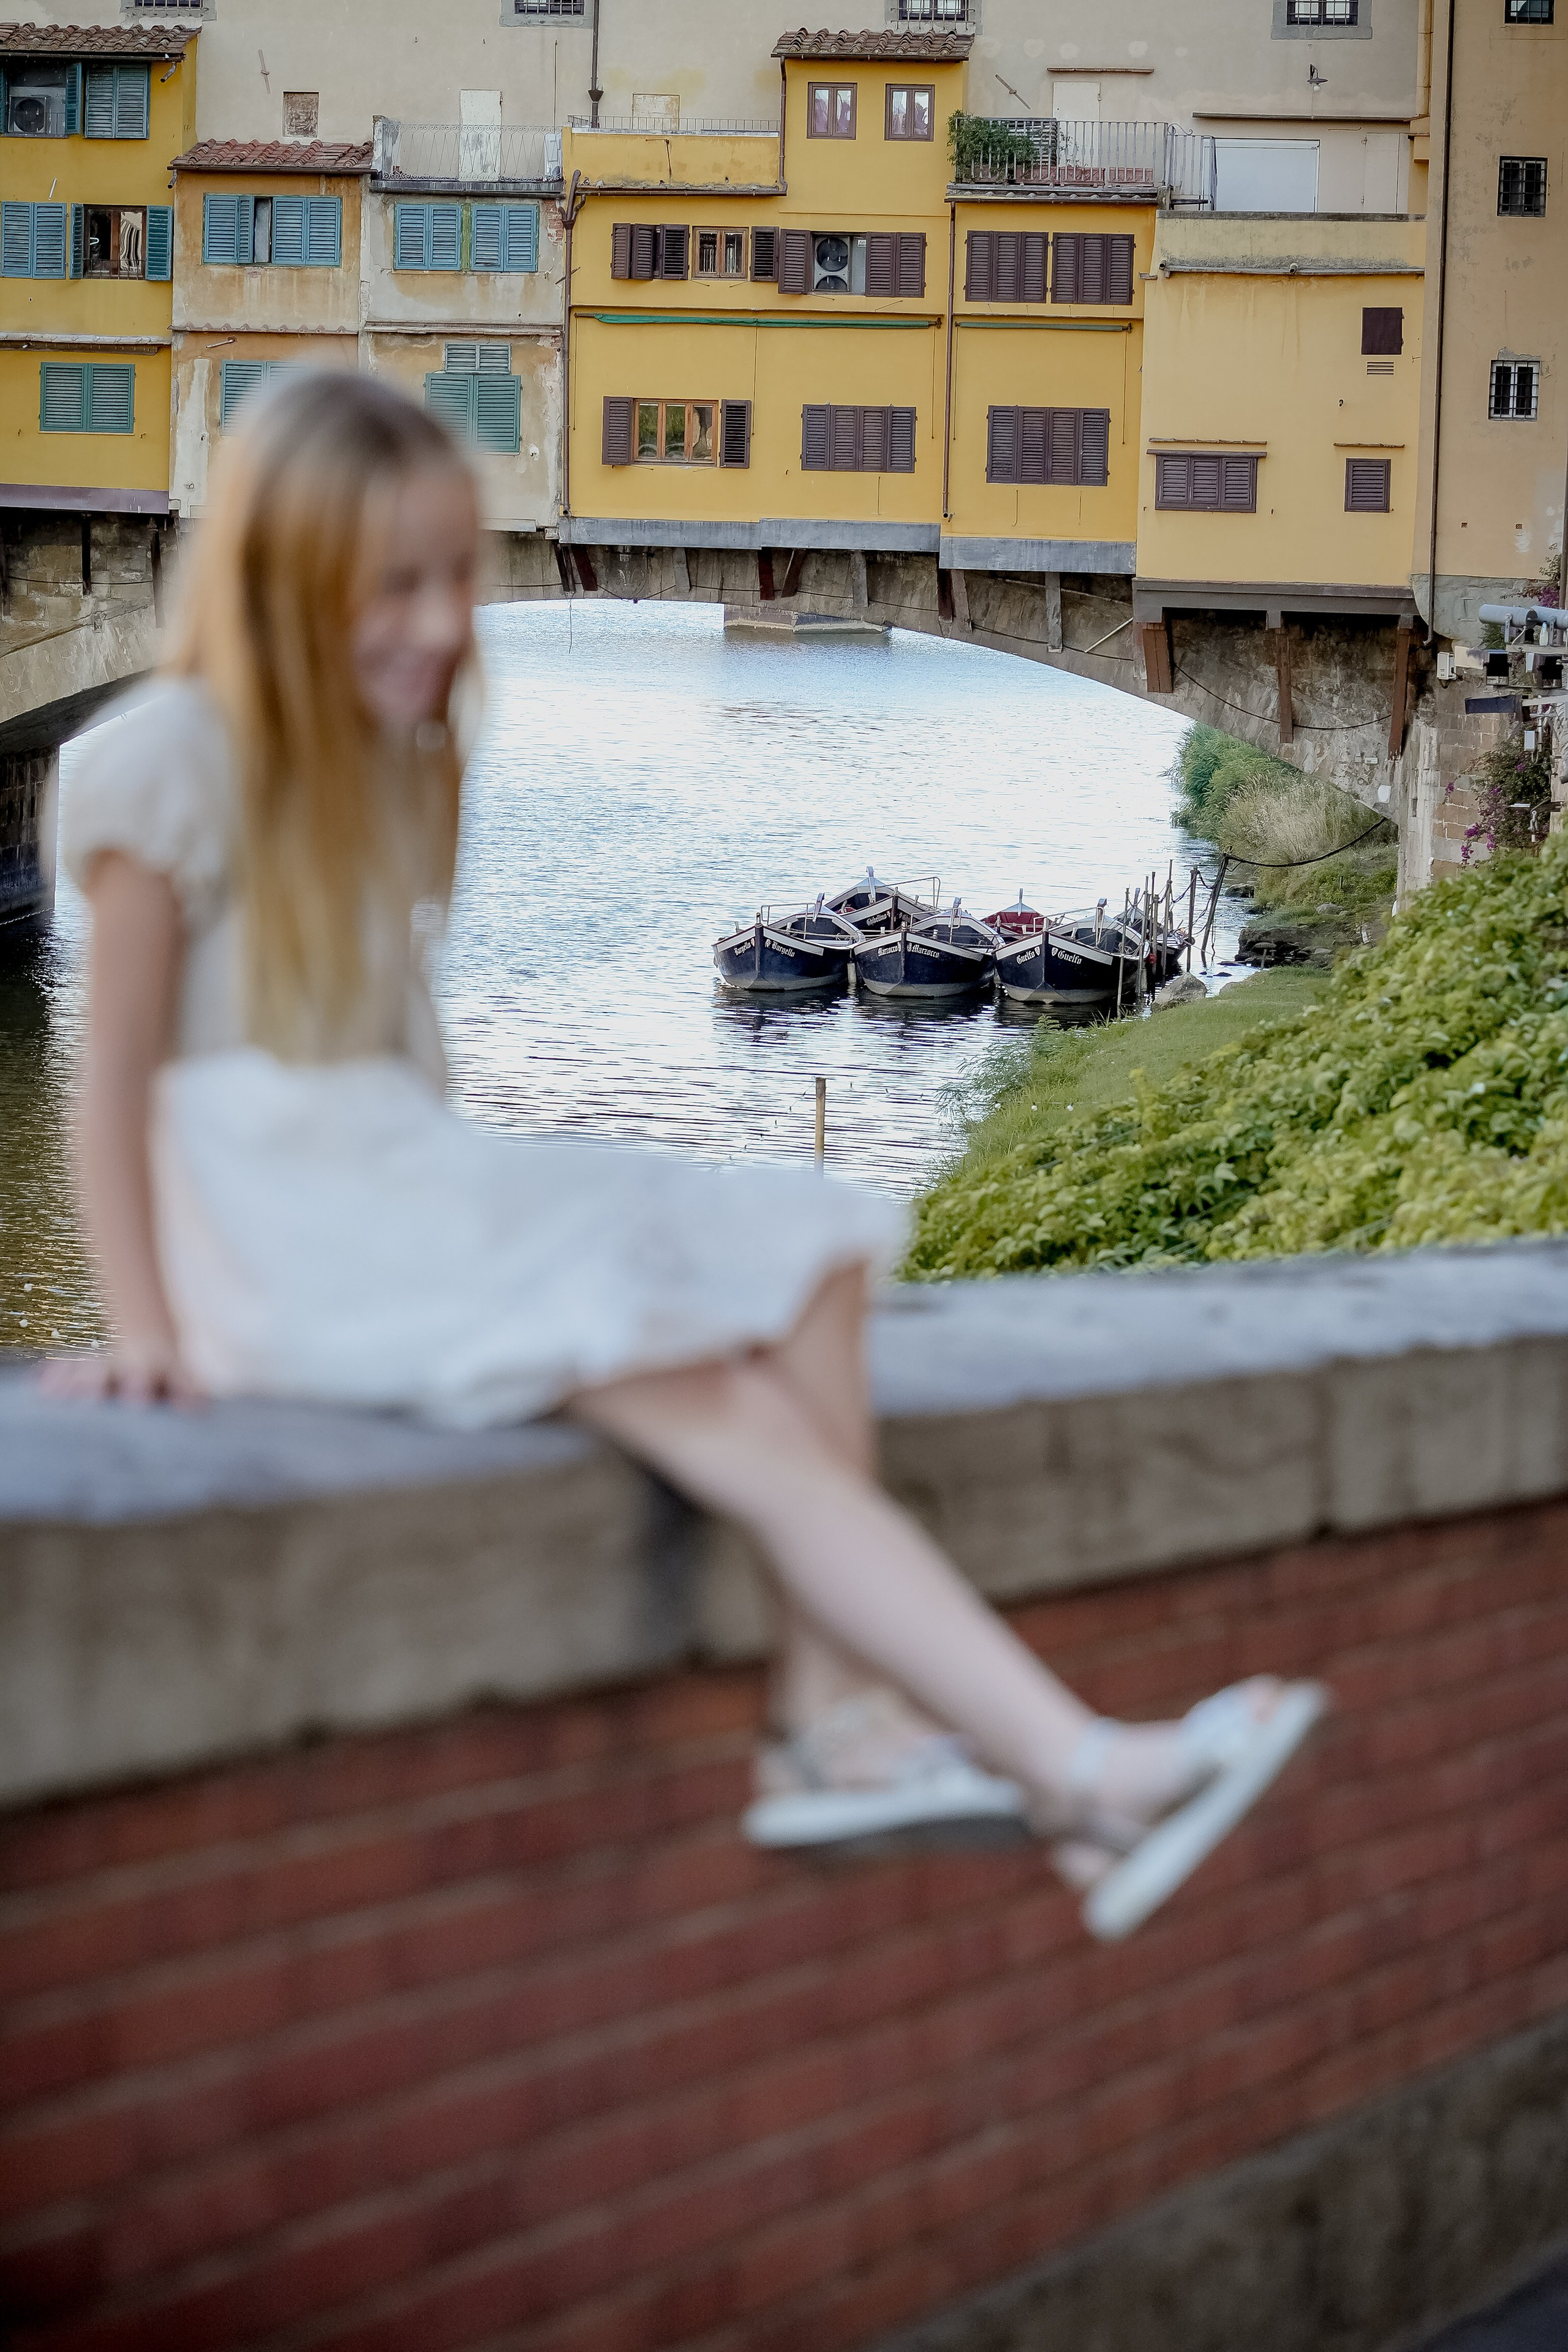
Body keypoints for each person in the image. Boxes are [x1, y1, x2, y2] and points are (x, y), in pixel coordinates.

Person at [45, 372, 1325, 1942]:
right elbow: (109, 1089)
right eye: (397, 582)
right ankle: (1056, 1761)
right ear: (281, 577)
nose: (445, 622)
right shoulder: (159, 756)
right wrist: (151, 1337)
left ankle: (839, 1722)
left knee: (820, 1250)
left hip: (388, 1194)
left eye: (458, 576)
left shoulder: (371, 770)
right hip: (300, 1245)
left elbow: (392, 1074)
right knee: (735, 1415)